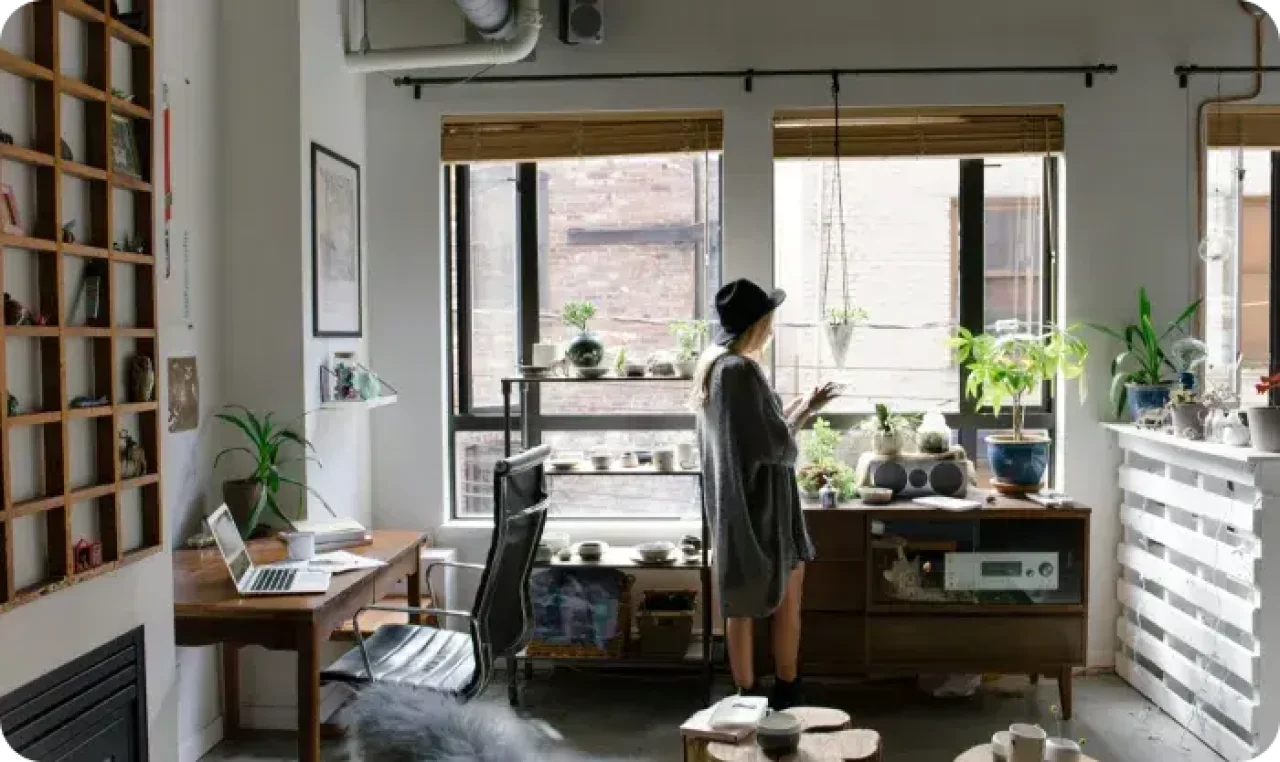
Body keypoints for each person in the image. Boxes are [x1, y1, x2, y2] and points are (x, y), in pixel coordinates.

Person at [692, 278, 840, 710]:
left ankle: (745, 695)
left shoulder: (715, 368)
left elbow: (760, 431)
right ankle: (786, 690)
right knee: (786, 599)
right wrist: (805, 413)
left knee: (739, 601)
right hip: (764, 509)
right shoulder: (741, 372)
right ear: (757, 323)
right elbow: (777, 446)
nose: (772, 328)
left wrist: (803, 407)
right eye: (769, 320)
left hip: (737, 506)